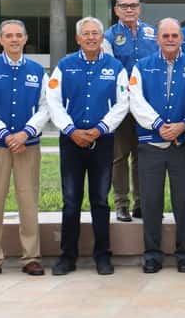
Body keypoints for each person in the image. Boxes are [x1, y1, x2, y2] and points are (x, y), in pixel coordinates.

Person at [47, 17, 130, 276]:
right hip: (71, 141)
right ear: (78, 39)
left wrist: (100, 129)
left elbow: (122, 102)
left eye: (96, 33)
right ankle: (67, 256)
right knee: (71, 200)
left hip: (102, 141)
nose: (91, 37)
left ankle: (102, 256)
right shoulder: (65, 65)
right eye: (86, 34)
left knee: (100, 200)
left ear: (101, 37)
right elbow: (53, 100)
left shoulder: (115, 66)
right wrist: (71, 130)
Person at [0, 19, 49, 278]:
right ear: (0, 39)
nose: (14, 39)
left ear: (26, 39)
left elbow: (45, 107)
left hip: (27, 146)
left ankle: (31, 257)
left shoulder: (38, 72)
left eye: (18, 35)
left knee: (29, 200)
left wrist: (26, 133)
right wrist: (4, 134)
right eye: (8, 36)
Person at [129, 19, 185, 273]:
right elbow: (136, 102)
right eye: (165, 36)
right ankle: (152, 254)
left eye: (174, 35)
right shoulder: (141, 67)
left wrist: (184, 125)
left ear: (181, 38)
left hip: (183, 144)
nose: (170, 39)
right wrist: (159, 124)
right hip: (151, 144)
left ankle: (184, 254)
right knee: (151, 202)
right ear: (157, 39)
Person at [104, 0, 158, 222]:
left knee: (142, 155)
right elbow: (109, 69)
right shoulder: (109, 36)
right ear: (116, 9)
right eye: (124, 6)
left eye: (133, 5)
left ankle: (141, 203)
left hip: (145, 105)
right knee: (119, 156)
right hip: (122, 105)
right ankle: (121, 204)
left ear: (140, 8)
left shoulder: (151, 33)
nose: (129, 9)